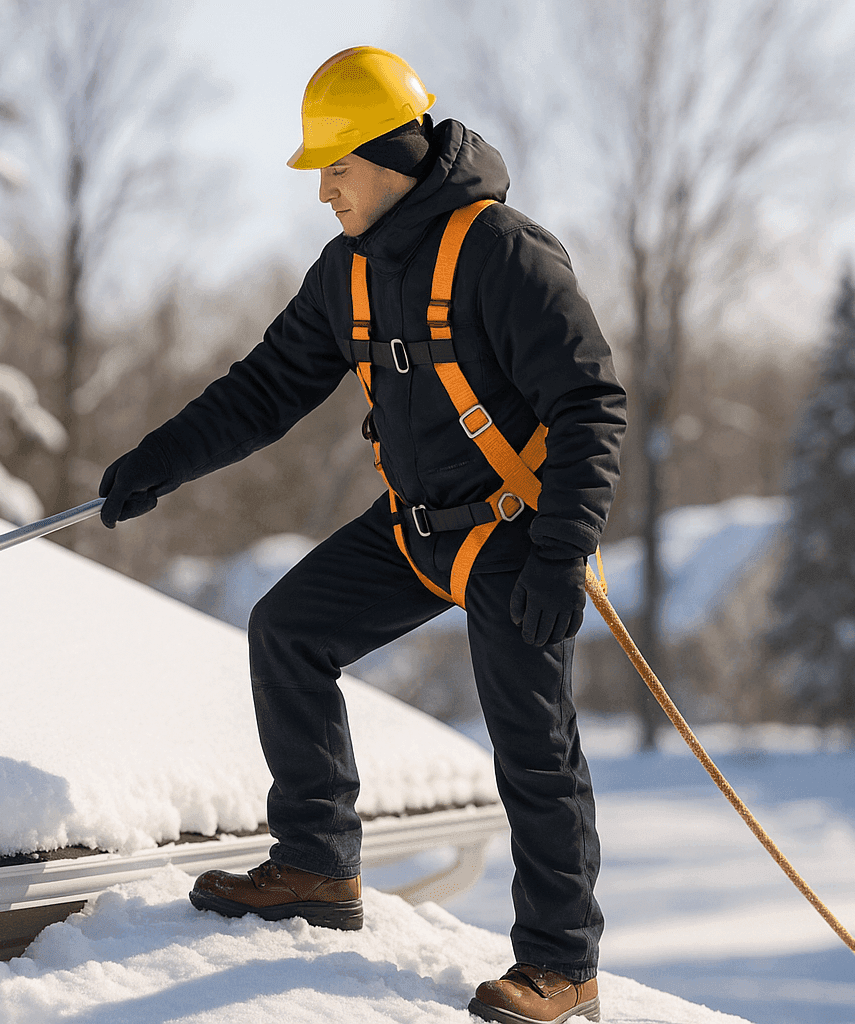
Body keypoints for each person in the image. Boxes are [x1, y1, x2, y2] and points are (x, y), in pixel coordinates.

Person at [98, 46, 624, 1024]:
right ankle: (314, 866)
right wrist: (159, 461)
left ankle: (563, 965)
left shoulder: (501, 251)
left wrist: (561, 550)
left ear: (388, 156)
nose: (323, 191)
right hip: (417, 528)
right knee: (288, 629)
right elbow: (265, 389)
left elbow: (592, 402)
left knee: (530, 740)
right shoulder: (347, 274)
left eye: (334, 168)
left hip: (516, 535)